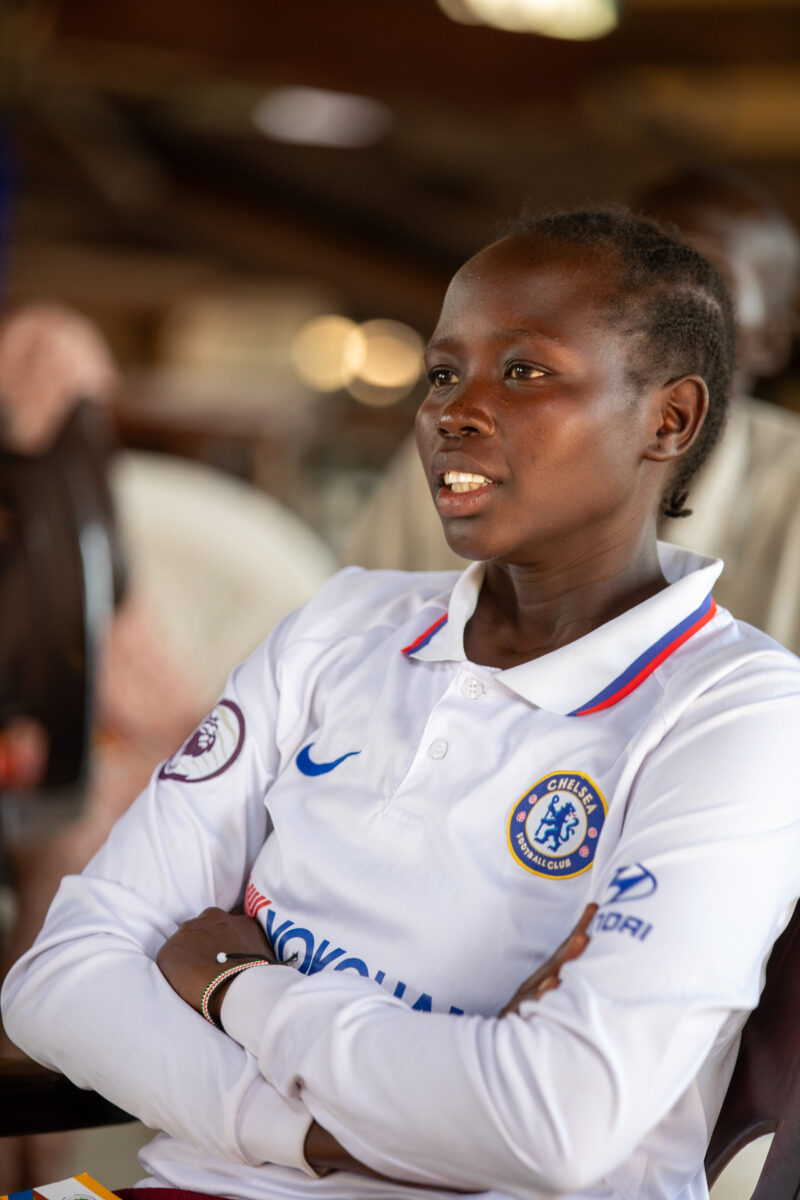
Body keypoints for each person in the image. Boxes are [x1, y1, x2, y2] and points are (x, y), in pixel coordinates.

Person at [3, 208, 800, 1200]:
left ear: (666, 421)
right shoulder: (341, 629)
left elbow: (553, 1121)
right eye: (439, 372)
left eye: (524, 372)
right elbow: (57, 978)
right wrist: (309, 1138)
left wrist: (235, 989)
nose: (451, 411)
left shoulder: (734, 710)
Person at [345, 168, 800, 658]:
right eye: (442, 375)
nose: (458, 413)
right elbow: (362, 646)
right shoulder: (459, 466)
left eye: (705, 288)